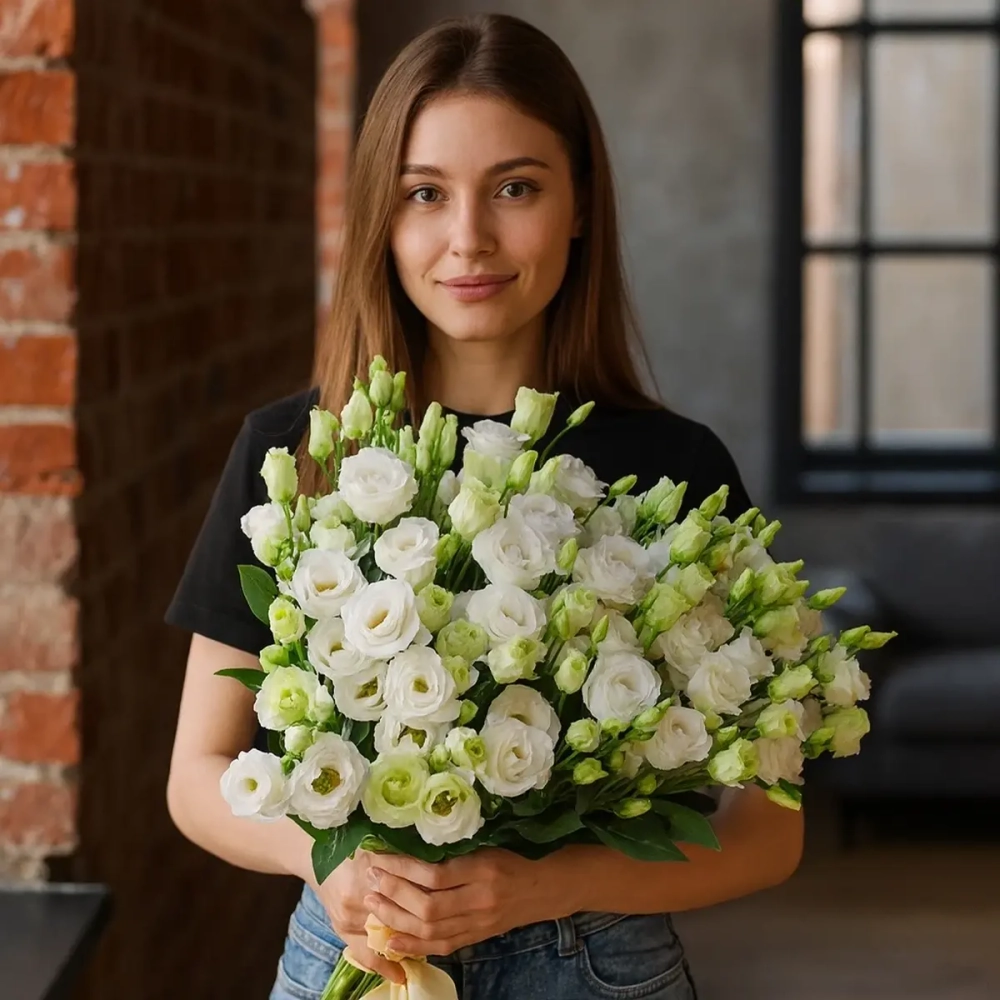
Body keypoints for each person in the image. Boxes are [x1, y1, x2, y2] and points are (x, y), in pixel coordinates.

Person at [165, 13, 803, 1000]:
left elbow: (768, 833)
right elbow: (198, 773)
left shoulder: (677, 468)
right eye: (425, 193)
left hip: (598, 969)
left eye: (515, 187)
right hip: (355, 957)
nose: (468, 238)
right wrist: (320, 856)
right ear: (383, 212)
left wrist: (542, 882)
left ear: (579, 205)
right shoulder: (298, 454)